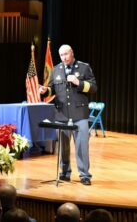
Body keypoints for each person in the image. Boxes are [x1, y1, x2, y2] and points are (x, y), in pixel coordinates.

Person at [40, 44, 97, 185]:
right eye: (61, 55)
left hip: (79, 114)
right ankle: (64, 173)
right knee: (63, 147)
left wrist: (79, 82)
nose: (64, 57)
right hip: (62, 114)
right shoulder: (56, 69)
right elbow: (52, 90)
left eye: (66, 54)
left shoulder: (84, 67)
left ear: (72, 53)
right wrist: (45, 91)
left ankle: (85, 175)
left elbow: (94, 87)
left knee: (81, 146)